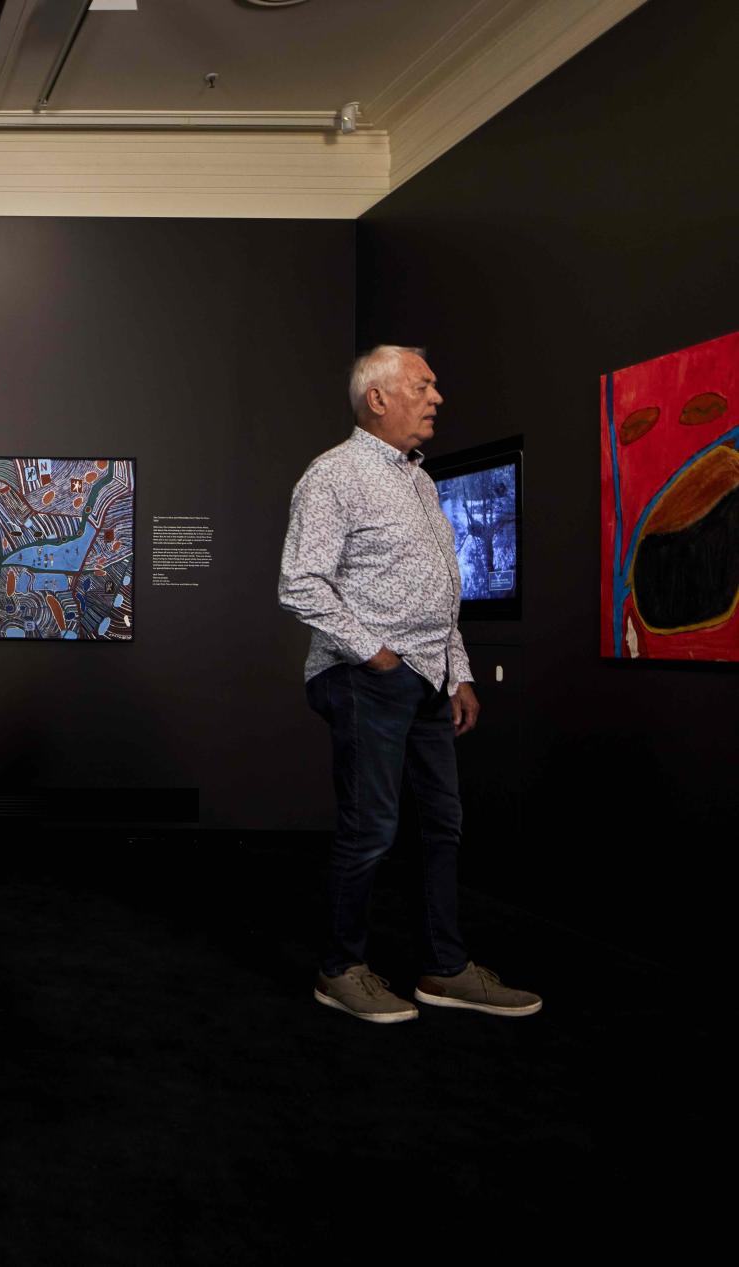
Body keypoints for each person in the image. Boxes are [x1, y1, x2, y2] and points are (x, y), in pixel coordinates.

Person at [278, 345, 541, 1024]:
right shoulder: (333, 475)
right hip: (366, 677)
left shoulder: (420, 481)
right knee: (371, 829)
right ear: (378, 398)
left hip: (430, 679)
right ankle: (340, 969)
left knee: (444, 825)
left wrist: (460, 673)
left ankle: (444, 968)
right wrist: (377, 654)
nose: (437, 397)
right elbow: (299, 582)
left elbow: (440, 592)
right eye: (423, 385)